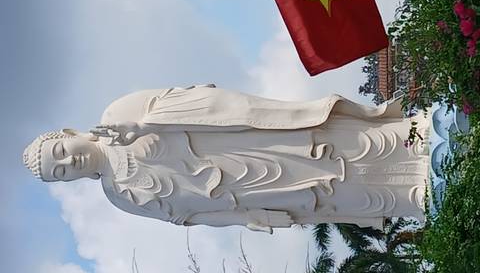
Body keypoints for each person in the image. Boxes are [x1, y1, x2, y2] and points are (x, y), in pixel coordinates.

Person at [24, 85, 429, 233]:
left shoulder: (115, 117)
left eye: (61, 152)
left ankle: (415, 138)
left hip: (250, 144)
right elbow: (186, 217)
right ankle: (409, 194)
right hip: (247, 191)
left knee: (335, 145)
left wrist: (149, 124)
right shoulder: (119, 196)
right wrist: (245, 218)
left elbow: (198, 101)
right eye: (60, 173)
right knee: (334, 193)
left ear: (69, 134)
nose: (68, 163)